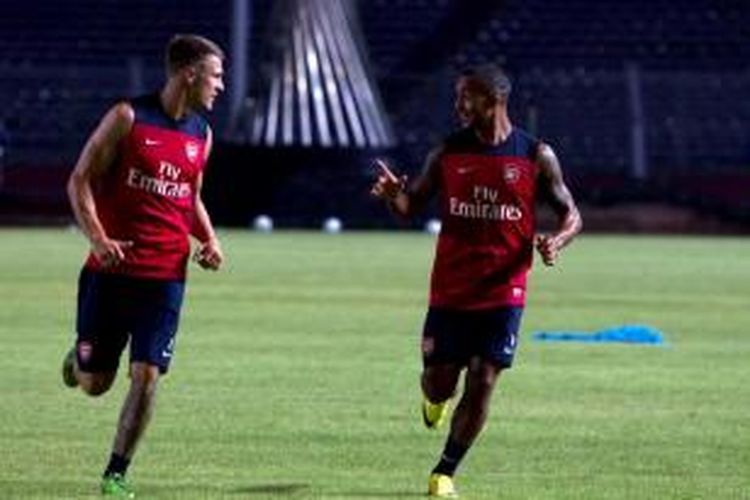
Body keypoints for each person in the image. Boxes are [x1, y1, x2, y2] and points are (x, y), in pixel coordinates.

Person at [371, 64, 582, 498]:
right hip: (451, 289)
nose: (458, 105)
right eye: (458, 96)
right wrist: (395, 197)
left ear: (494, 99)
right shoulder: (447, 152)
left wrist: (558, 241)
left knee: (485, 377)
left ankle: (444, 472)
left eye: (466, 96)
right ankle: (435, 400)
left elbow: (571, 214)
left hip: (505, 290)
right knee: (439, 381)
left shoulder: (535, 155)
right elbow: (412, 207)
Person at [62, 34, 226, 498]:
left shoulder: (201, 135)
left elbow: (190, 197)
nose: (221, 85)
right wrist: (98, 237)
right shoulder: (127, 118)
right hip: (110, 272)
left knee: (148, 374)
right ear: (189, 73)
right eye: (216, 75)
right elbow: (79, 181)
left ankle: (116, 473)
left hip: (166, 278)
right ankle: (79, 361)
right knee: (95, 383)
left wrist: (209, 239)